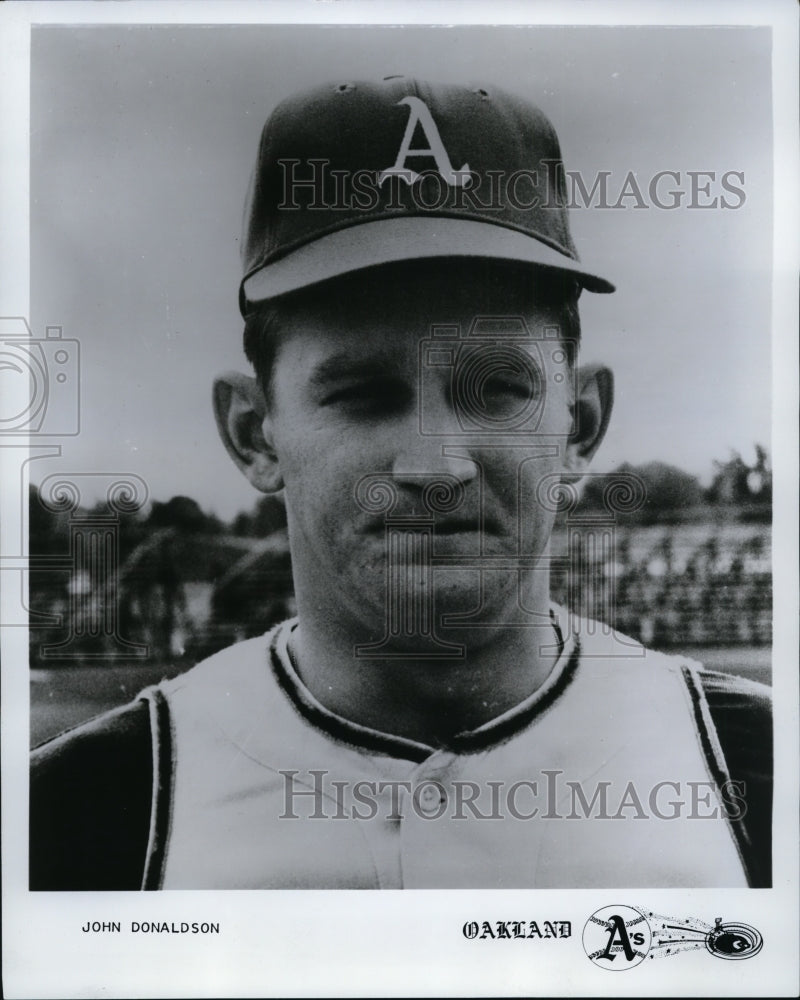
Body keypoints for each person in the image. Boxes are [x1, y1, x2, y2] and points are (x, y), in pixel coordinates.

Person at [30, 77, 771, 890]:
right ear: (253, 432)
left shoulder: (760, 776)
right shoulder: (79, 818)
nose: (434, 465)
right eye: (362, 396)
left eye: (495, 391)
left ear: (582, 422)